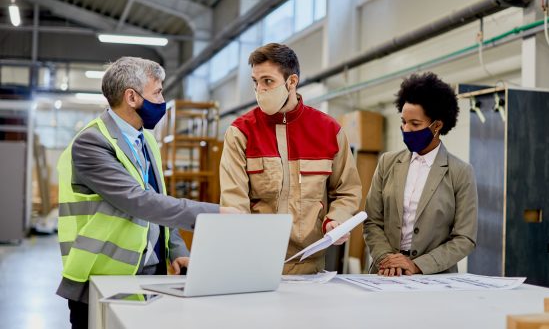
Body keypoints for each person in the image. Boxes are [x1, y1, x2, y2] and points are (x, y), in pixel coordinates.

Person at [56, 57, 239, 328]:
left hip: (150, 276)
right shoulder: (91, 143)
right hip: (101, 279)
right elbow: (140, 201)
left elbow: (159, 195)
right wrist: (213, 214)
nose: (162, 98)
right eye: (158, 92)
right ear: (132, 97)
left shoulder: (146, 139)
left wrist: (176, 249)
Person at [220, 43, 362, 274]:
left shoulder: (328, 131)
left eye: (268, 81)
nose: (260, 90)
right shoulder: (240, 132)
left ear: (292, 82)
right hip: (255, 264)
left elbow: (347, 190)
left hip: (309, 266)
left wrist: (336, 219)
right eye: (256, 82)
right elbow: (234, 202)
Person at [363, 72, 477, 276]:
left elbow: (464, 238)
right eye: (403, 121)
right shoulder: (387, 163)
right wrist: (387, 260)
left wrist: (418, 265)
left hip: (435, 277)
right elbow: (372, 221)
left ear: (437, 126)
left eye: (415, 124)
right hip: (386, 273)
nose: (406, 129)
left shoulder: (460, 172)